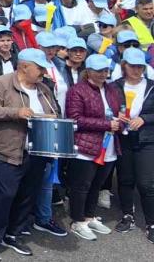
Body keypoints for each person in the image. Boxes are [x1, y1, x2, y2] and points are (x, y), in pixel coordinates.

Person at [0, 48, 61, 260]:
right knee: (4, 197)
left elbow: (56, 112)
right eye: (40, 68)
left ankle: (13, 234)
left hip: (37, 152)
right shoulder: (1, 83)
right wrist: (15, 113)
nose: (43, 72)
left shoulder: (44, 89)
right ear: (24, 66)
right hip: (7, 151)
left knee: (27, 196)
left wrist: (53, 117)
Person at [65, 53, 125, 240]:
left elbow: (117, 111)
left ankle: (89, 216)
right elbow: (75, 119)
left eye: (105, 70)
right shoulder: (77, 90)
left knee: (97, 184)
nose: (103, 74)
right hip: (86, 145)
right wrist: (106, 124)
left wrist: (120, 121)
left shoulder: (111, 89)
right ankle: (77, 220)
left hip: (109, 145)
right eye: (99, 71)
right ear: (88, 71)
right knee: (82, 185)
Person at [112, 47, 154, 242]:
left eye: (140, 67)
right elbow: (106, 108)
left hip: (146, 140)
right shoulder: (114, 86)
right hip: (123, 138)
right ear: (124, 66)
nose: (137, 70)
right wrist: (115, 115)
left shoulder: (152, 86)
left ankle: (151, 223)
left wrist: (144, 119)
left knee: (146, 184)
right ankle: (127, 215)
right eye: (132, 66)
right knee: (125, 179)